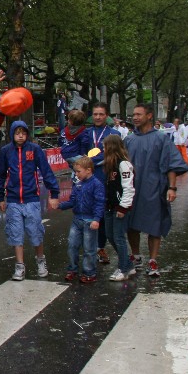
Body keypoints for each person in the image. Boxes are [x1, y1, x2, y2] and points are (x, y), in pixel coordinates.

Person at [124, 104, 188, 277]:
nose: (135, 117)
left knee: (154, 225)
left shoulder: (161, 138)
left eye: (139, 114)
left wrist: (172, 188)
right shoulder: (129, 140)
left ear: (149, 116)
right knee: (131, 224)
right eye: (133, 114)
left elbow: (171, 164)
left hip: (154, 188)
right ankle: (136, 255)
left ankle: (153, 260)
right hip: (132, 189)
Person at [0, 121, 60, 281]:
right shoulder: (6, 151)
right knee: (15, 233)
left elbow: (46, 171)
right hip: (13, 200)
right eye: (17, 133)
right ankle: (19, 265)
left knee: (35, 231)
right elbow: (1, 175)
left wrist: (54, 193)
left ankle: (40, 260)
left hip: (31, 198)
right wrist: (0, 197)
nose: (20, 136)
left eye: (23, 133)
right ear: (12, 134)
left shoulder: (34, 149)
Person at [57, 157, 106, 284]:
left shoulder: (97, 184)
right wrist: (60, 206)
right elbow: (72, 201)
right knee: (72, 245)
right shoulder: (78, 184)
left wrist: (97, 219)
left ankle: (89, 272)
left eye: (79, 171)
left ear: (88, 170)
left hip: (90, 220)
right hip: (77, 218)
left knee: (89, 248)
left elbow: (99, 203)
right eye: (75, 172)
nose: (76, 174)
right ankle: (72, 268)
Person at [83, 103, 118, 264]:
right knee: (86, 215)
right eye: (95, 114)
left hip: (104, 179)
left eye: (101, 114)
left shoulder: (114, 134)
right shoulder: (86, 133)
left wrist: (91, 160)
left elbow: (113, 157)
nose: (97, 117)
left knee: (102, 216)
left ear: (107, 115)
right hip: (87, 180)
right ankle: (89, 248)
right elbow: (79, 153)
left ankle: (100, 248)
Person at [102, 134, 136, 281]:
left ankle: (123, 268)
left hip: (119, 206)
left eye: (105, 146)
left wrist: (123, 207)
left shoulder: (124, 164)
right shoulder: (109, 165)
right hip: (109, 205)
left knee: (119, 237)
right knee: (110, 235)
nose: (103, 149)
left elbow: (129, 188)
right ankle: (127, 263)